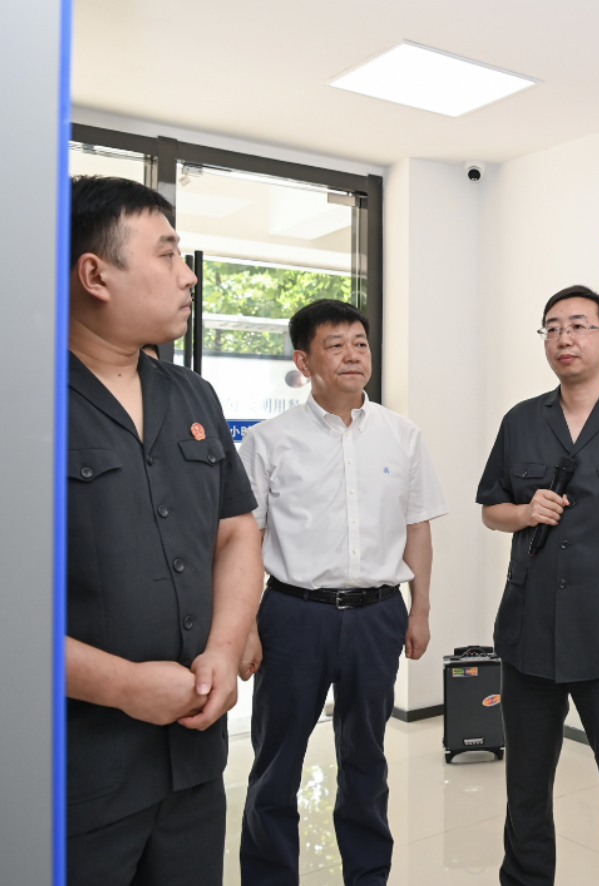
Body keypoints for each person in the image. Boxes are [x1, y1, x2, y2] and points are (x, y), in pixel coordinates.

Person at [64, 174, 264, 885]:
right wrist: (122, 685)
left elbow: (236, 531)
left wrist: (224, 647)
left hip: (192, 760)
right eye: (167, 254)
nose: (189, 277)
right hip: (77, 772)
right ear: (96, 275)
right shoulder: (26, 401)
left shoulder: (192, 395)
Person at [237, 298, 449, 885]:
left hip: (377, 616)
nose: (353, 355)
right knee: (276, 765)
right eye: (336, 345)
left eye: (360, 343)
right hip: (292, 616)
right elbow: (244, 539)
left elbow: (418, 526)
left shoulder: (402, 436)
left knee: (367, 761)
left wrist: (421, 608)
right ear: (304, 361)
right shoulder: (268, 441)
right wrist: (243, 625)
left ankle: (368, 875)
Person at [477, 285, 599, 886]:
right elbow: (491, 509)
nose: (564, 338)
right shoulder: (521, 421)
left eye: (579, 326)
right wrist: (524, 512)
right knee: (525, 788)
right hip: (530, 633)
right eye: (552, 328)